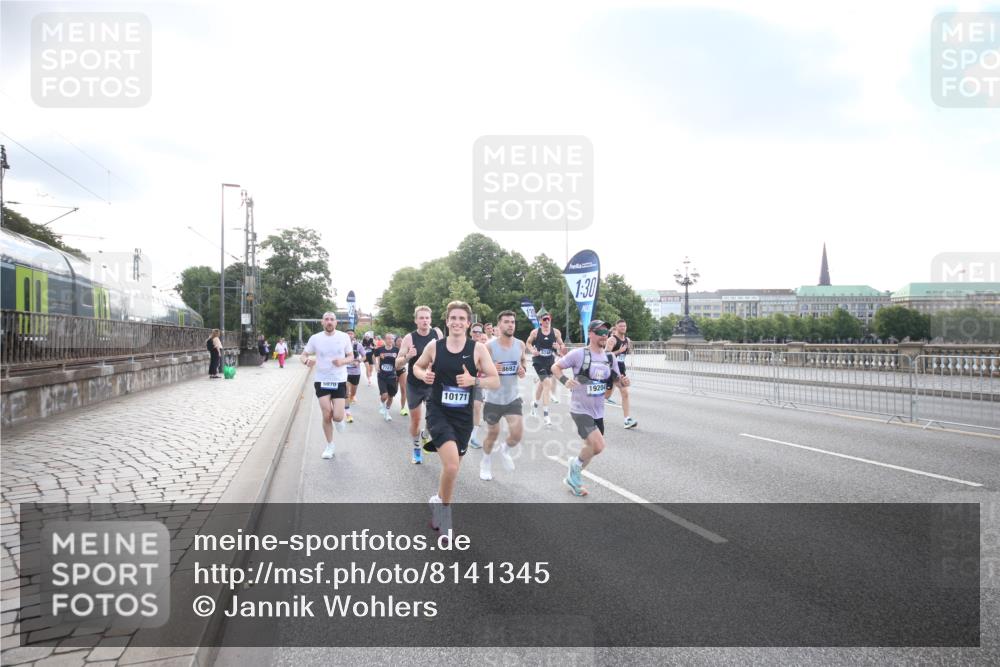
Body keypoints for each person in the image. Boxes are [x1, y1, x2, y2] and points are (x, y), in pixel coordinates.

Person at [412, 301, 500, 536]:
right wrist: (425, 374)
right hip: (438, 411)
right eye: (453, 318)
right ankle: (443, 518)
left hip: (463, 417)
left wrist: (475, 381)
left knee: (453, 469)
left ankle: (438, 499)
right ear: (447, 321)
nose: (457, 322)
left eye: (462, 318)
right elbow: (417, 367)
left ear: (468, 323)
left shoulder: (478, 349)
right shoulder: (435, 346)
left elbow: (494, 380)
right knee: (451, 465)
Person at [552, 319, 630, 496]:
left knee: (591, 448)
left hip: (598, 410)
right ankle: (575, 467)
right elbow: (555, 367)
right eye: (600, 332)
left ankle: (574, 476)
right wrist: (565, 380)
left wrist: (623, 382)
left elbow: (617, 380)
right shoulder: (579, 354)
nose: (605, 335)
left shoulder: (610, 357)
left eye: (606, 332)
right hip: (580, 409)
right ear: (591, 334)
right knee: (599, 445)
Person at [479, 311, 527, 481]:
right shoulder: (489, 347)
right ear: (499, 325)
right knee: (493, 433)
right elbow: (479, 371)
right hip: (493, 399)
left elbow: (522, 364)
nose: (510, 325)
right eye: (506, 322)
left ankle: (504, 450)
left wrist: (522, 370)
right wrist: (491, 368)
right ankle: (485, 461)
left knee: (517, 435)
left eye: (513, 322)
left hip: (512, 398)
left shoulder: (520, 345)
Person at [300, 312, 354, 459]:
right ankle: (330, 445)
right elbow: (303, 355)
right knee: (326, 414)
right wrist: (306, 361)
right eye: (326, 320)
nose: (329, 322)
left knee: (337, 416)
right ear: (322, 322)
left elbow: (351, 356)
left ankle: (339, 419)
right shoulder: (315, 338)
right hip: (322, 380)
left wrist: (342, 361)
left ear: (336, 322)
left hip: (339, 380)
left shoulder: (344, 337)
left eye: (332, 319)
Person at [395, 306, 444, 464]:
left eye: (427, 318)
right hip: (415, 385)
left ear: (431, 319)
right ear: (416, 320)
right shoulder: (409, 338)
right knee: (416, 420)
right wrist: (407, 357)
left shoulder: (437, 334)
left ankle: (425, 436)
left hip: (432, 382)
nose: (424, 321)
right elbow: (397, 364)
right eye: (421, 318)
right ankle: (416, 448)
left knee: (434, 418)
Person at [525, 313, 565, 426]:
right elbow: (528, 343)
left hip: (550, 362)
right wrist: (532, 350)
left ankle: (534, 404)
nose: (547, 321)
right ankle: (546, 415)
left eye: (549, 319)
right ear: (540, 321)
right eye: (545, 319)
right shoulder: (535, 332)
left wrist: (559, 348)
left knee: (542, 385)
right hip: (538, 361)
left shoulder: (556, 332)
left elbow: (562, 345)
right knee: (547, 384)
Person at [605, 319, 637, 429]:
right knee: (606, 395)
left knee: (625, 392)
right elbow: (606, 355)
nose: (623, 328)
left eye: (625, 326)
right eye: (621, 326)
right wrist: (618, 351)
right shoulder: (612, 340)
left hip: (621, 370)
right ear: (616, 327)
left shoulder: (627, 340)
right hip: (610, 369)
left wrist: (628, 351)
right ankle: (586, 400)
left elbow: (627, 352)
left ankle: (627, 419)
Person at [467, 323, 487, 449]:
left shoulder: (485, 348)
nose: (477, 334)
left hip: (477, 381)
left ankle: (473, 437)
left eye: (479, 332)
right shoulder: (465, 345)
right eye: (475, 331)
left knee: (477, 406)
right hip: (463, 381)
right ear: (470, 332)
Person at [372, 333, 400, 422]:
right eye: (388, 339)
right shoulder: (380, 349)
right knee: (384, 395)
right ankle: (381, 403)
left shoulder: (397, 350)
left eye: (391, 339)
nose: (390, 340)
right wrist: (376, 365)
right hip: (382, 375)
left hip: (392, 376)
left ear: (393, 340)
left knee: (391, 396)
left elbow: (401, 359)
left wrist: (398, 366)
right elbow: (373, 356)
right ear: (385, 340)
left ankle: (387, 412)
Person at [344, 330, 365, 422]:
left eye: (351, 333)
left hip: (356, 372)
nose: (349, 335)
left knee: (353, 392)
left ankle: (353, 396)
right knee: (346, 393)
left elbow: (364, 356)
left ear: (354, 335)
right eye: (348, 333)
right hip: (344, 372)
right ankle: (348, 414)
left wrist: (359, 361)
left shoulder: (358, 345)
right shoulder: (341, 345)